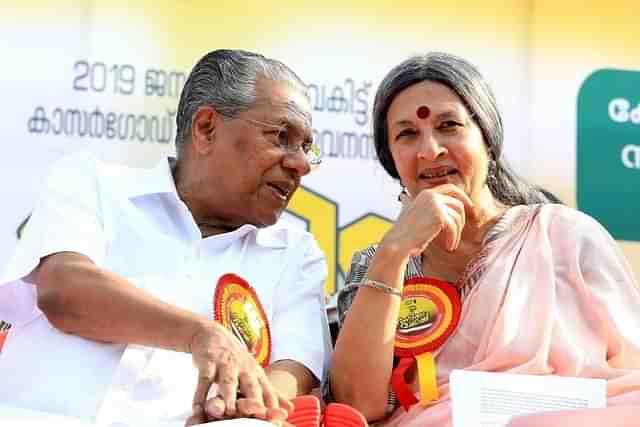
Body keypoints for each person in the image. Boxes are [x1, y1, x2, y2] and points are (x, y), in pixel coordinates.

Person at [0, 49, 331, 427]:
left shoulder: (295, 252)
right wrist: (200, 334)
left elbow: (295, 368)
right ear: (206, 128)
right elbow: (65, 289)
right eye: (281, 137)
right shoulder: (93, 182)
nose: (301, 164)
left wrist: (249, 405)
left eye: (307, 148)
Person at [327, 52, 640, 426]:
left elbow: (630, 382)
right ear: (390, 158)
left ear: (488, 141)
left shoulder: (565, 237)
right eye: (407, 134)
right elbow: (357, 406)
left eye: (449, 126)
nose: (430, 150)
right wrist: (394, 253)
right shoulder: (379, 262)